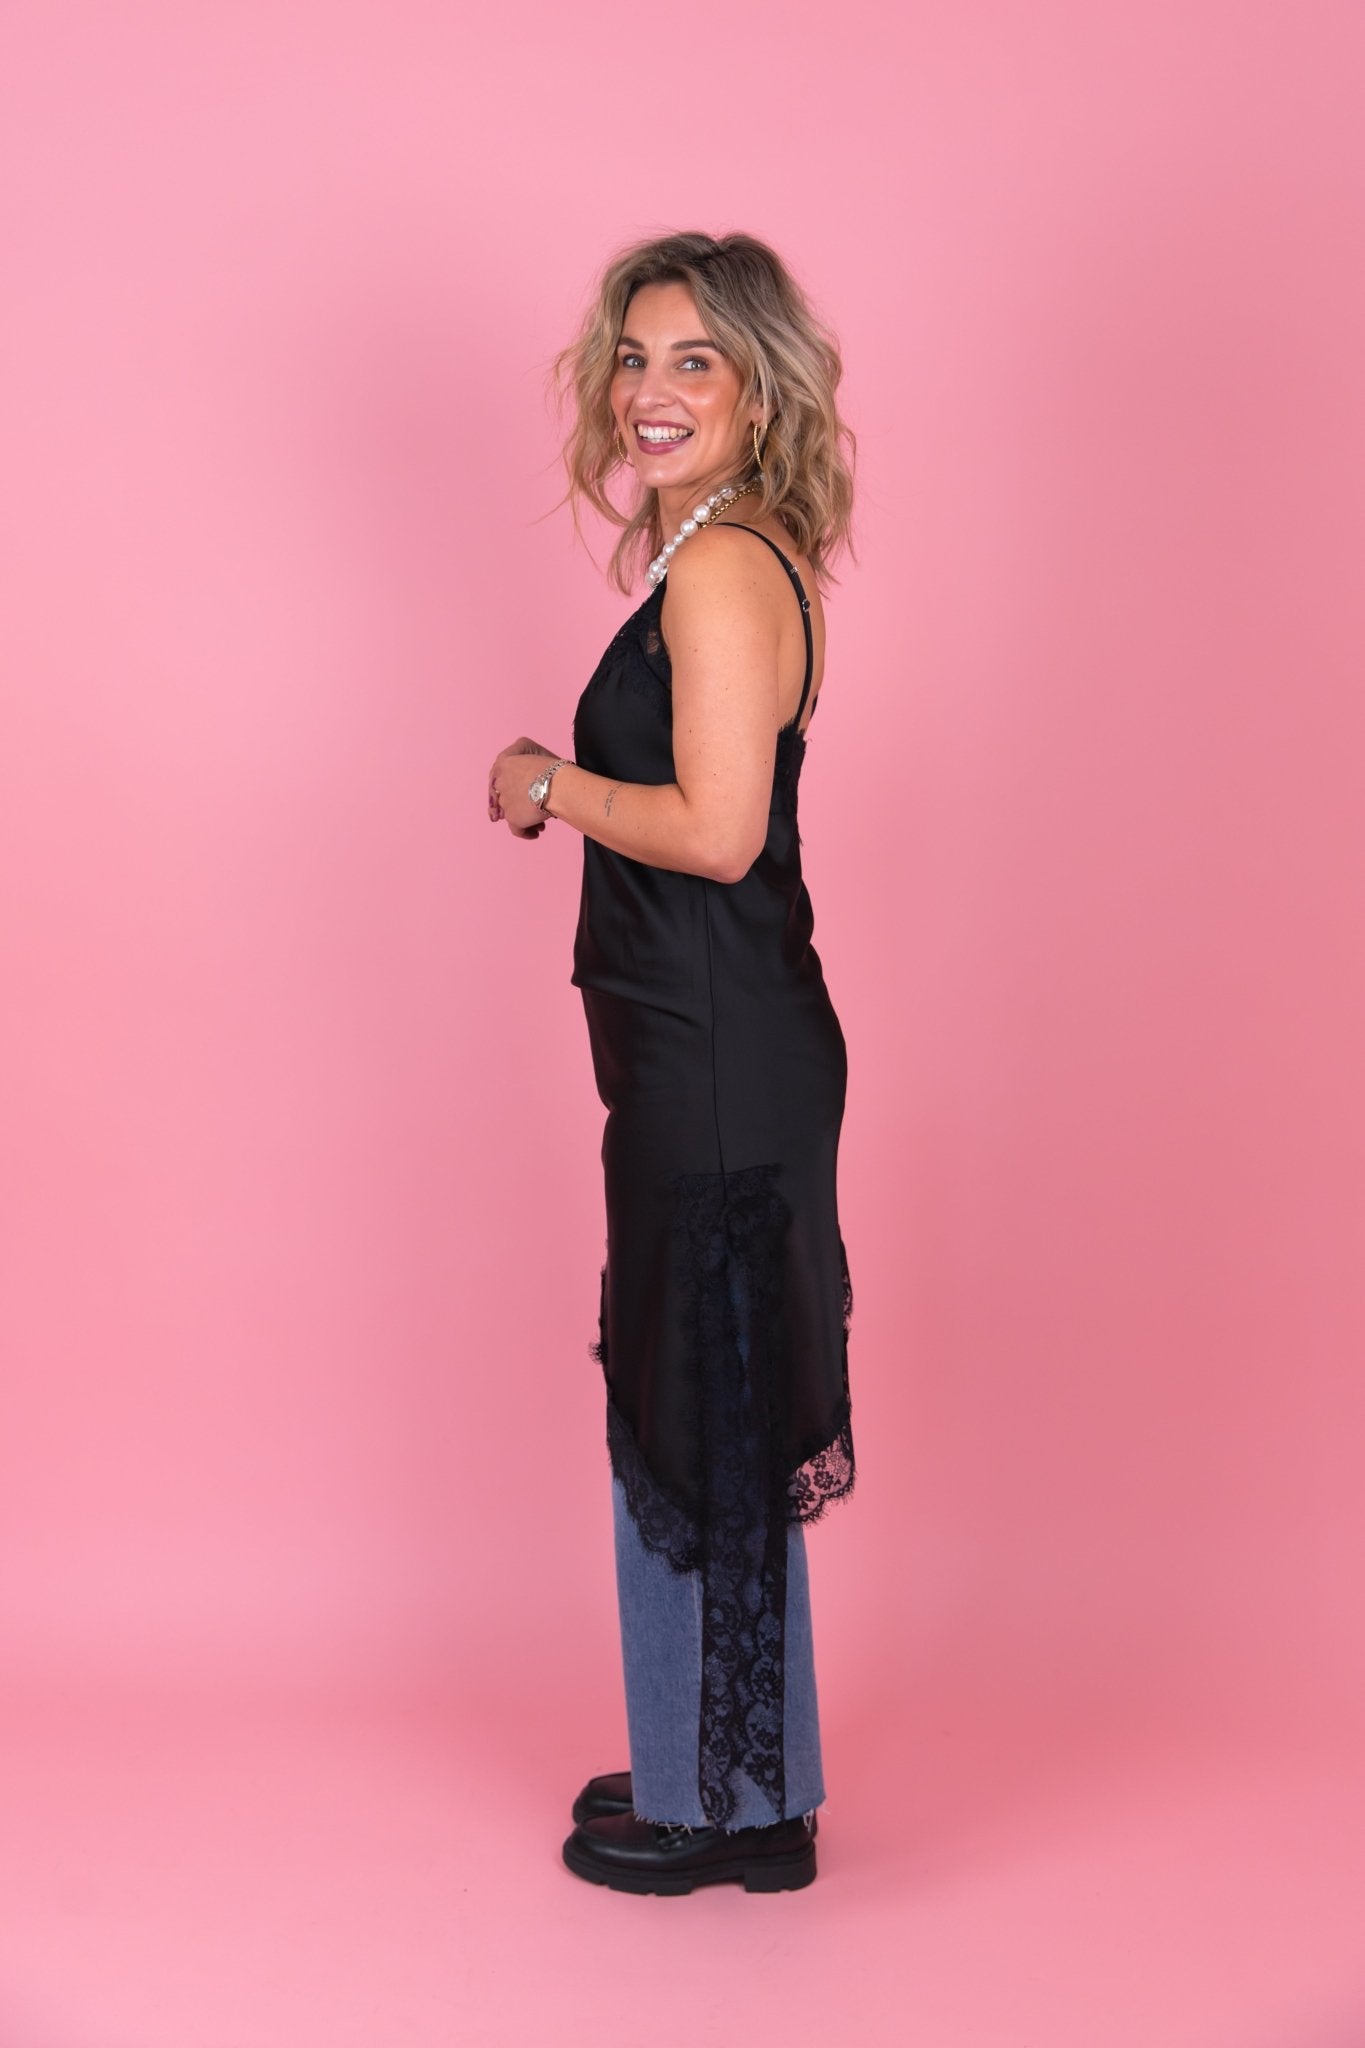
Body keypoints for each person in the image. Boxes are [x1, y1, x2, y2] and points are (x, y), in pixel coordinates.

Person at [487, 230, 858, 1895]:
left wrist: (543, 783)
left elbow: (715, 831)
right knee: (704, 1399)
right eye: (633, 357)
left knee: (696, 1409)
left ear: (758, 390)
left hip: (715, 1053)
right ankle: (725, 1758)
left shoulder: (718, 571)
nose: (649, 389)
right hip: (702, 1042)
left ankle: (731, 1806)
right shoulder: (721, 549)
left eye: (692, 360)